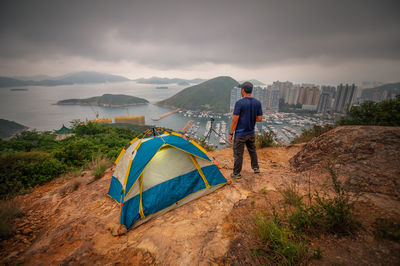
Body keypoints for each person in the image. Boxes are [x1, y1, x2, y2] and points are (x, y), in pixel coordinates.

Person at [228, 81, 263, 178]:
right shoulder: (257, 103)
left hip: (240, 133)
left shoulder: (239, 103)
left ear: (243, 90)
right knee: (252, 150)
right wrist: (250, 118)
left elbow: (235, 120)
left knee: (238, 154)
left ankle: (236, 173)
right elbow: (260, 119)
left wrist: (231, 133)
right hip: (251, 132)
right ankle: (256, 168)